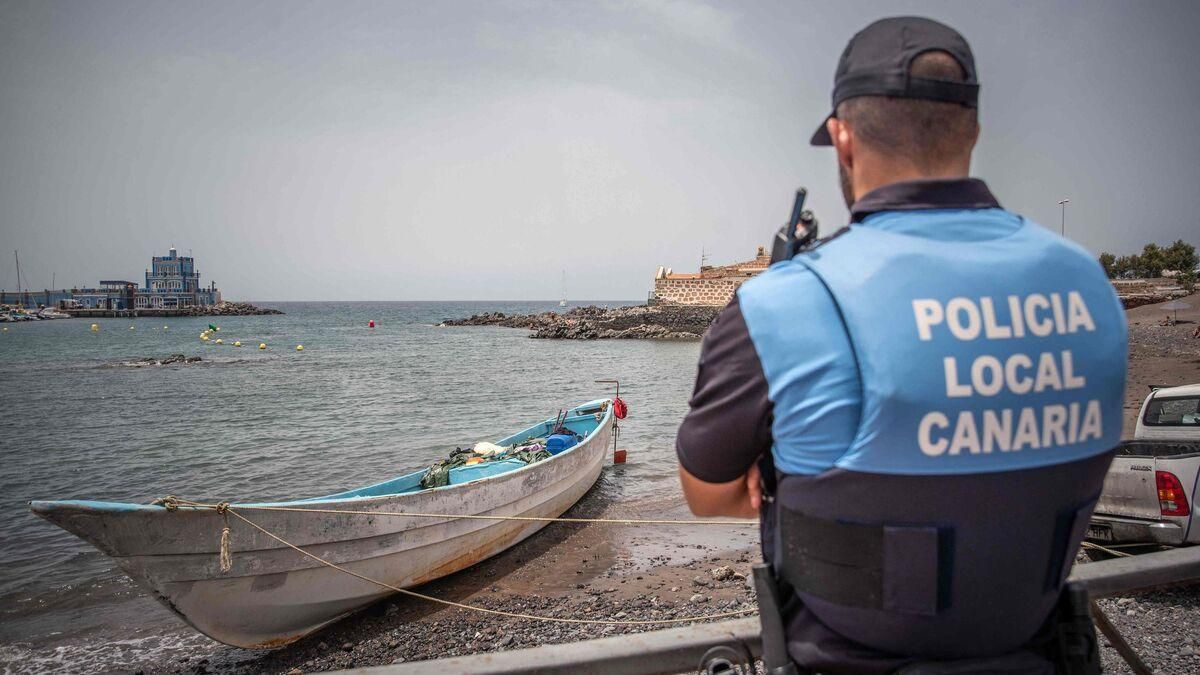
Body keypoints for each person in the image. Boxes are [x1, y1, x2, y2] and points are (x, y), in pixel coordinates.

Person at [675, 16, 1127, 673]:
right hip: (1042, 655)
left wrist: (780, 459)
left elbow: (705, 492)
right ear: (973, 129)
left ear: (842, 138)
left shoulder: (785, 304)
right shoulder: (1091, 289)